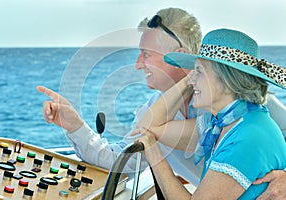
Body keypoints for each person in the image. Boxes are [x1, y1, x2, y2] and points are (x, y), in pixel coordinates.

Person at [37, 8, 286, 196]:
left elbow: (268, 147)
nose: (137, 64)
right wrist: (74, 126)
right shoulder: (211, 117)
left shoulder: (259, 111)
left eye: (146, 54)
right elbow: (126, 156)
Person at [133, 28, 286, 199]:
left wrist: (154, 154)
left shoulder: (246, 137)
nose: (190, 80)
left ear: (227, 81)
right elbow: (149, 125)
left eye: (199, 72)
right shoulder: (221, 124)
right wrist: (191, 78)